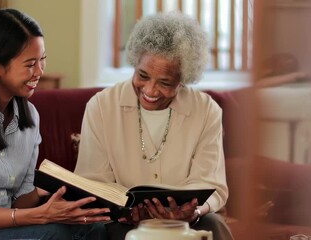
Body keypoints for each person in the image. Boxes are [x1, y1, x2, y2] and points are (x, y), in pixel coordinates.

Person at [0, 9, 110, 240]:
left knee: (95, 227)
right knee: (55, 234)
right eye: (30, 64)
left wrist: (56, 190)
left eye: (42, 59)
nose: (40, 72)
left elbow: (21, 201)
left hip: (4, 225)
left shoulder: (29, 116)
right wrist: (43, 216)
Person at [74, 12, 234, 240]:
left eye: (165, 83)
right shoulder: (101, 106)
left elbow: (209, 182)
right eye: (143, 75)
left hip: (184, 224)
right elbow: (93, 180)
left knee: (214, 225)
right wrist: (127, 209)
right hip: (122, 224)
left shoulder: (206, 110)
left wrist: (193, 211)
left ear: (183, 80)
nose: (149, 90)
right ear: (135, 61)